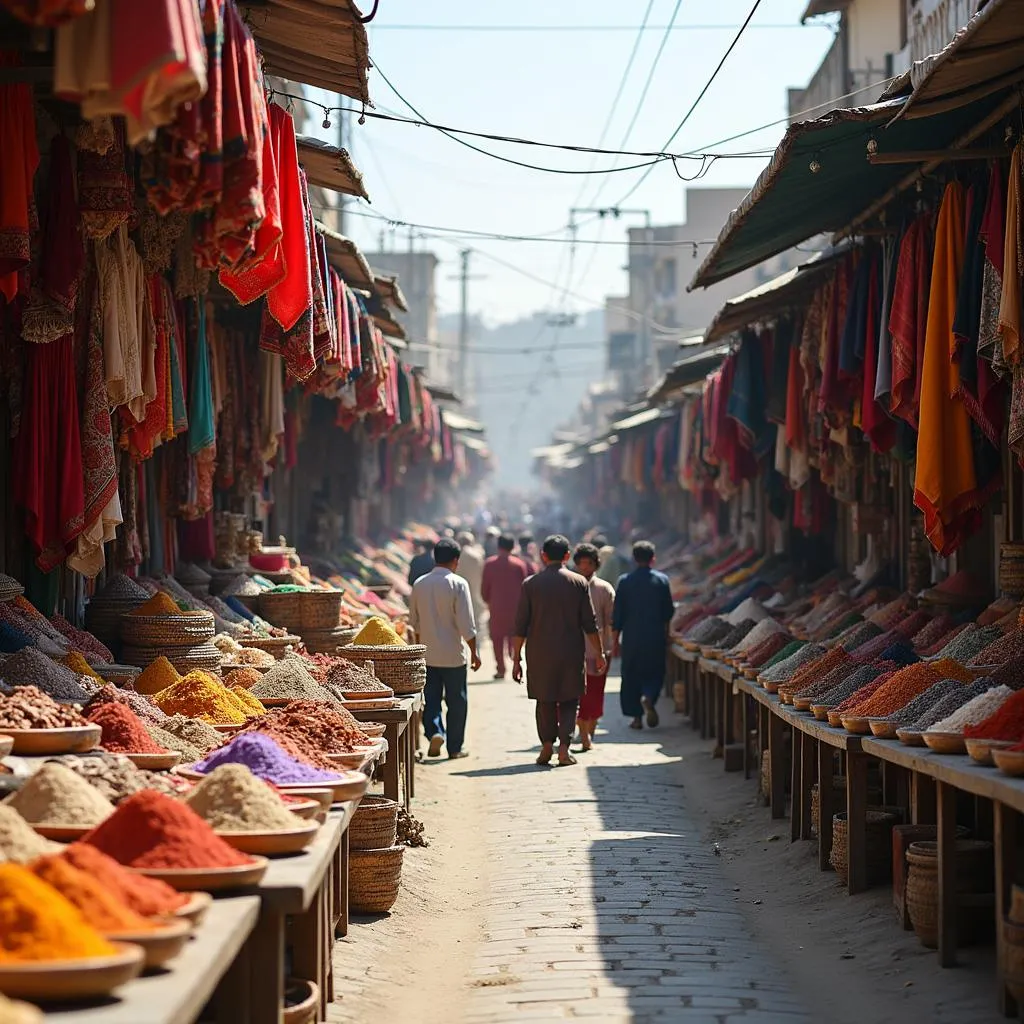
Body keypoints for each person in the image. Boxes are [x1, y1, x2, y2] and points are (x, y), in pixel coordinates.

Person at [512, 535, 606, 767]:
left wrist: (516, 659)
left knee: (544, 700)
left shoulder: (530, 584)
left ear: (543, 556)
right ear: (567, 556)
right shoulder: (579, 583)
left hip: (539, 653)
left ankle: (546, 745)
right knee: (568, 700)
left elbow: (520, 625)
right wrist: (599, 652)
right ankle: (564, 748)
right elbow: (590, 622)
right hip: (571, 652)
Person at [408, 538, 482, 760]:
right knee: (457, 702)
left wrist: (419, 649)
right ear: (455, 561)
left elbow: (414, 622)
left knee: (430, 700)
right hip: (453, 656)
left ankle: (435, 733)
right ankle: (455, 747)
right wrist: (475, 652)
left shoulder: (419, 584)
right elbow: (466, 624)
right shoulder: (458, 584)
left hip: (428, 655)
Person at [613, 540, 675, 729]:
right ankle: (649, 697)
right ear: (653, 559)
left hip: (632, 638)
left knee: (631, 676)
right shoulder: (662, 580)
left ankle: (637, 718)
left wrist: (615, 642)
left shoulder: (624, 581)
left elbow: (618, 615)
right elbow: (668, 612)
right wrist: (666, 634)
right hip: (655, 637)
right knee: (655, 672)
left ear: (633, 558)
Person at [572, 542, 616, 751]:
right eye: (581, 563)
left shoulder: (604, 589)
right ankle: (583, 734)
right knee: (579, 694)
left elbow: (610, 621)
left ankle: (590, 730)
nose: (584, 568)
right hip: (575, 650)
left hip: (598, 650)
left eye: (588, 563)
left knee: (596, 693)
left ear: (596, 565)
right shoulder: (570, 586)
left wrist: (610, 646)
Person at [481, 534, 528, 680]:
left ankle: (501, 668)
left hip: (496, 607)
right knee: (515, 636)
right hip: (516, 608)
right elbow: (525, 587)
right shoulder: (519, 565)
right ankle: (516, 662)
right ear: (512, 546)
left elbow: (484, 589)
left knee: (497, 638)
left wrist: (488, 601)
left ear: (498, 546)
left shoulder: (489, 564)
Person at [455, 530, 486, 631]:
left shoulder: (455, 555)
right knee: (475, 619)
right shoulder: (477, 556)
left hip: (457, 592)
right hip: (474, 591)